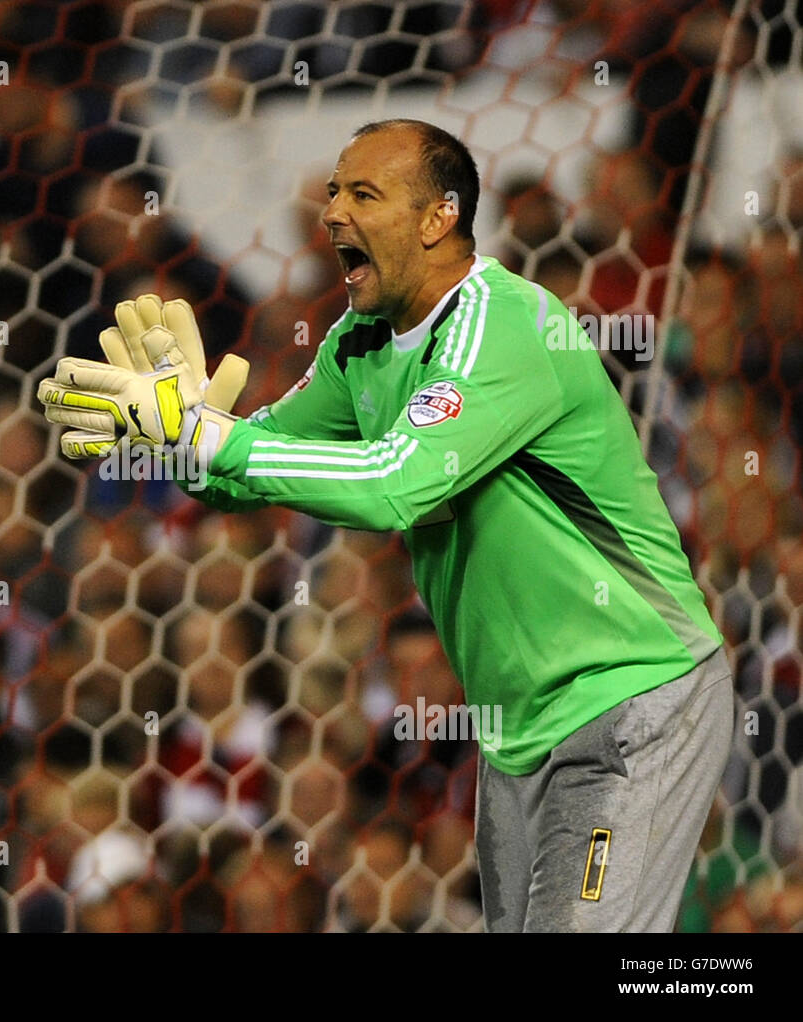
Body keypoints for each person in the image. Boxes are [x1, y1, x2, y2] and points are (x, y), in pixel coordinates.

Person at [37, 118, 733, 933]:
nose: (333, 213)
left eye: (362, 194)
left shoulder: (502, 325)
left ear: (439, 218)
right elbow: (256, 468)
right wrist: (178, 433)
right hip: (516, 728)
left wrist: (209, 439)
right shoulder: (359, 345)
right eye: (335, 192)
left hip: (634, 691)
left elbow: (391, 486)